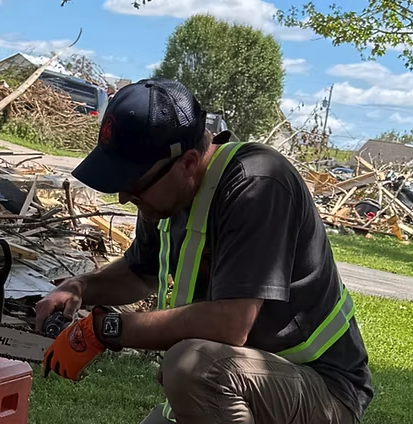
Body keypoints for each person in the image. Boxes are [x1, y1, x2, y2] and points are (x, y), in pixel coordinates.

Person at [34, 79, 373, 424]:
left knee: (191, 365)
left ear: (188, 163)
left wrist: (107, 330)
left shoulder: (258, 183)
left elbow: (230, 324)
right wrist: (81, 287)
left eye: (134, 183)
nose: (124, 197)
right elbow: (139, 273)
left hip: (324, 391)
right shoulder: (166, 197)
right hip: (248, 380)